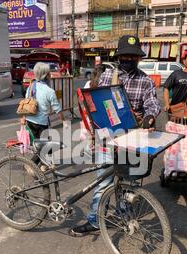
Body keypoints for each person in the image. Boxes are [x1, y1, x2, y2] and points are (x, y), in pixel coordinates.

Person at [69, 35, 161, 237]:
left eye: (133, 56)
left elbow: (153, 104)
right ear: (119, 56)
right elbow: (95, 102)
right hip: (107, 140)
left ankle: (124, 216)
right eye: (125, 56)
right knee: (103, 184)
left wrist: (150, 117)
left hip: (132, 140)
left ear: (138, 58)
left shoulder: (145, 81)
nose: (128, 59)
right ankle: (94, 220)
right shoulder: (106, 76)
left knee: (130, 184)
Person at [20, 62, 66, 163]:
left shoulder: (31, 86)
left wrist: (23, 118)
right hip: (41, 123)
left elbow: (26, 102)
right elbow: (57, 109)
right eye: (49, 73)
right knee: (44, 146)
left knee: (39, 144)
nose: (51, 75)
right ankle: (31, 164)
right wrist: (64, 121)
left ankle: (47, 164)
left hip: (30, 121)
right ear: (46, 75)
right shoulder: (49, 91)